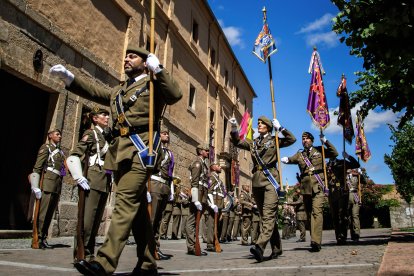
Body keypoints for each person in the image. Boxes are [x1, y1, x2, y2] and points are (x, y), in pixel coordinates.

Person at [50, 45, 182, 275]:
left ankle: (104, 262)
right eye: (126, 56)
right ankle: (148, 263)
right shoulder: (119, 91)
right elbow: (94, 91)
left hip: (143, 152)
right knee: (138, 212)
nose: (126, 59)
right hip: (121, 152)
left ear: (144, 61)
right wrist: (70, 78)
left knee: (124, 203)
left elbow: (175, 95)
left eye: (133, 56)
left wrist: (159, 69)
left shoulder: (153, 86)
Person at [230, 115, 296, 262]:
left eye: (261, 123)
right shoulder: (253, 143)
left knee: (268, 216)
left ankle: (259, 247)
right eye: (258, 123)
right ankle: (277, 248)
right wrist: (234, 129)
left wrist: (281, 128)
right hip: (257, 182)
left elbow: (292, 139)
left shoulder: (274, 140)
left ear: (268, 126)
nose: (259, 125)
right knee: (265, 216)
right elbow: (237, 142)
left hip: (271, 181)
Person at [66, 107, 112, 263]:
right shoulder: (91, 134)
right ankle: (80, 252)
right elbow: (75, 155)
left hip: (104, 181)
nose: (107, 117)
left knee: (96, 220)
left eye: (107, 115)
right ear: (95, 119)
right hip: (92, 178)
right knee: (87, 220)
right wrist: (78, 177)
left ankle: (90, 253)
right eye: (103, 115)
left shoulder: (106, 136)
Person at [281, 131, 338, 252]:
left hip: (318, 186)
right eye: (303, 139)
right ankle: (314, 238)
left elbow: (334, 153)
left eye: (306, 139)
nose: (304, 141)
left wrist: (326, 141)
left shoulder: (320, 150)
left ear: (312, 140)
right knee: (309, 214)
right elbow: (292, 159)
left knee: (317, 212)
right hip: (306, 188)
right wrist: (286, 159)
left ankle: (316, 241)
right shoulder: (300, 154)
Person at [29, 129, 66, 249]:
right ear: (50, 136)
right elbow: (37, 167)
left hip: (56, 184)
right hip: (47, 184)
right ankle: (37, 237)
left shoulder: (60, 152)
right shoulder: (46, 148)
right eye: (57, 134)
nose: (59, 136)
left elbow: (62, 170)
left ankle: (43, 237)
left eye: (60, 134)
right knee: (43, 213)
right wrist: (35, 186)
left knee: (49, 213)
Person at [148, 127, 175, 260]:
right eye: (164, 134)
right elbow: (148, 166)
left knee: (158, 219)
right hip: (155, 184)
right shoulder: (154, 148)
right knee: (152, 219)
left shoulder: (169, 153)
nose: (167, 136)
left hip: (164, 186)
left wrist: (171, 190)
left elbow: (170, 173)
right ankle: (148, 249)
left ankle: (155, 248)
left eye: (167, 134)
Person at [326, 151, 360, 245]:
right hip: (331, 192)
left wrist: (348, 156)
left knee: (342, 214)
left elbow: (356, 164)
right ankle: (338, 236)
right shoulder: (325, 165)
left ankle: (343, 236)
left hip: (342, 191)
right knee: (335, 216)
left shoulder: (342, 162)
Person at [185, 144, 210, 256]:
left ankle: (194, 244)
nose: (208, 152)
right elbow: (194, 181)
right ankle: (191, 246)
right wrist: (195, 199)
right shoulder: (197, 163)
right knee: (191, 220)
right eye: (206, 150)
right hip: (198, 192)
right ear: (200, 151)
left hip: (202, 192)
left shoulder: (204, 164)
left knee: (196, 220)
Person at [205, 162, 224, 252]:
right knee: (211, 224)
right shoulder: (212, 177)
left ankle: (214, 241)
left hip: (219, 204)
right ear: (213, 167)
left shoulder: (218, 178)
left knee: (216, 225)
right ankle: (209, 244)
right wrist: (212, 204)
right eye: (218, 165)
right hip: (214, 204)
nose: (220, 167)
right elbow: (209, 191)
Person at [347, 167, 366, 242]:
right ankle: (349, 235)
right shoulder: (343, 176)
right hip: (346, 196)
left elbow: (364, 182)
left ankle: (356, 234)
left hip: (355, 196)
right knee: (348, 217)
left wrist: (360, 175)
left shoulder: (356, 175)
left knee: (355, 215)